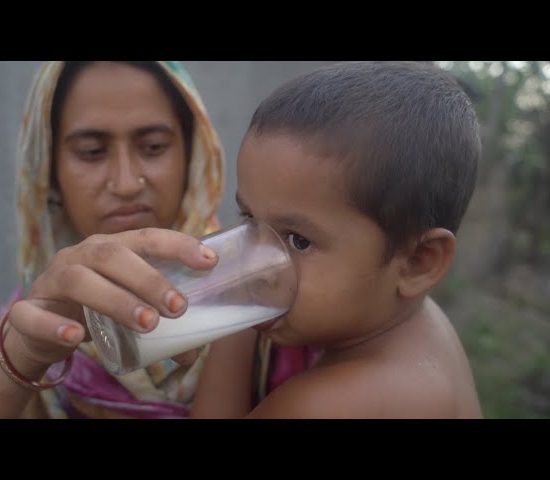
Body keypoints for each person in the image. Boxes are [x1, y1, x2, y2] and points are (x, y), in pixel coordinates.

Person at [0, 61, 228, 418]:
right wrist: (24, 355)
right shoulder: (42, 315)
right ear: (51, 170)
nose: (125, 183)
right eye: (91, 151)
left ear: (193, 157)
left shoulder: (249, 293)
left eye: (153, 146)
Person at [189, 61, 484, 418]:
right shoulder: (414, 323)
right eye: (250, 220)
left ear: (419, 261)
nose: (256, 265)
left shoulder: (331, 404)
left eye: (298, 241)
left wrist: (230, 315)